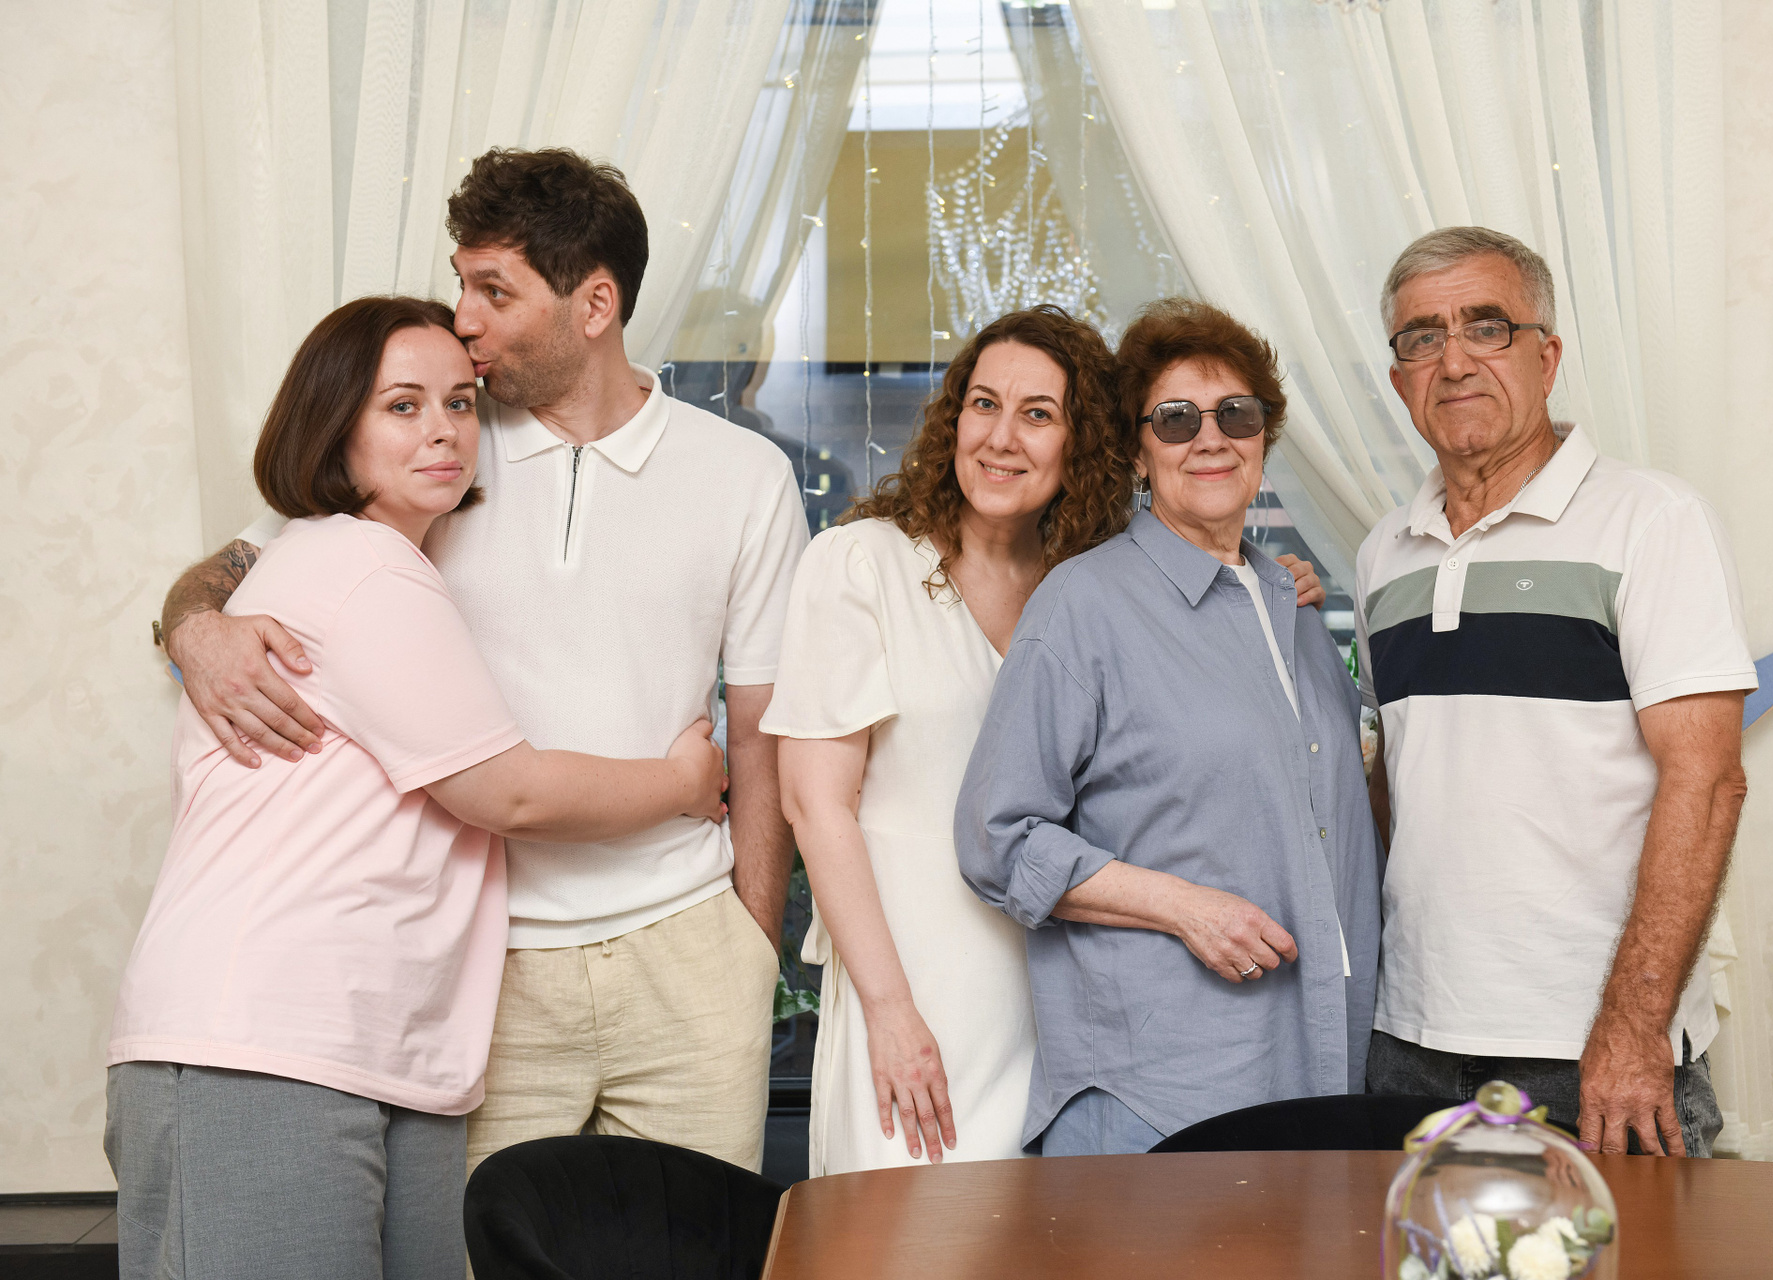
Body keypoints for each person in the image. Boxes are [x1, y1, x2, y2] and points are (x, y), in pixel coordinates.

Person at [157, 148, 809, 1175]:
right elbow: (244, 565)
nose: (463, 318)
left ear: (595, 305)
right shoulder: (433, 442)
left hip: (690, 950)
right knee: (478, 1246)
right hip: (484, 958)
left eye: (493, 291)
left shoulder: (745, 474)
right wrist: (194, 626)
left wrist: (752, 948)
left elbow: (765, 735)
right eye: (461, 282)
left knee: (696, 1241)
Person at [108, 297, 729, 1279]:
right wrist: (683, 780)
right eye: (402, 405)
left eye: (459, 402)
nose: (443, 429)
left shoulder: (378, 560)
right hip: (262, 1037)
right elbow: (509, 792)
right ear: (334, 427)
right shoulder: (355, 564)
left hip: (384, 1048)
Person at [768, 307, 1202, 1176]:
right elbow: (815, 809)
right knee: (896, 1233)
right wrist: (891, 1013)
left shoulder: (1088, 593)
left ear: (1082, 443)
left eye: (1038, 414)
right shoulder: (863, 564)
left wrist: (1278, 585)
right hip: (910, 993)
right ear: (953, 419)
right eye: (984, 404)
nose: (1002, 437)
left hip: (1055, 1004)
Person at [1357, 226, 1755, 1157]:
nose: (1455, 359)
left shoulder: (1653, 521)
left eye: (1486, 326)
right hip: (1408, 1041)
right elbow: (1395, 781)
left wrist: (1633, 1026)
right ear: (1400, 380)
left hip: (1591, 1050)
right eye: (1423, 337)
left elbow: (1707, 783)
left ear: (1548, 356)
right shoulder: (1383, 554)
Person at [955, 298, 1377, 1157]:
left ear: (1265, 438)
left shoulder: (1294, 610)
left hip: (1316, 1079)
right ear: (1139, 450)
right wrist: (1186, 908)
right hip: (1154, 1097)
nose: (1210, 439)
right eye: (1177, 419)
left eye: (1237, 415)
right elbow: (998, 839)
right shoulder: (1084, 604)